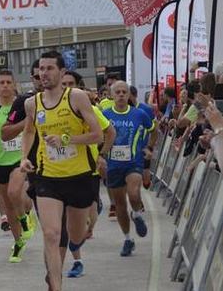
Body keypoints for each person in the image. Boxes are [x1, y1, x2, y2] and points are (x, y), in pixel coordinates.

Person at [19, 51, 103, 291]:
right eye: (41, 70)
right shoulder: (32, 103)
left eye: (49, 68)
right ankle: (55, 284)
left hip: (79, 177)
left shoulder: (76, 97)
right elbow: (28, 132)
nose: (44, 73)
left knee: (75, 237)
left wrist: (67, 139)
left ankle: (66, 256)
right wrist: (24, 158)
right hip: (48, 177)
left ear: (62, 72)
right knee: (52, 235)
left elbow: (97, 135)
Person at [60, 71, 115, 278]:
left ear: (79, 87)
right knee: (66, 222)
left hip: (88, 171)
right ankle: (77, 261)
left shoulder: (90, 109)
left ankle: (95, 210)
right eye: (63, 83)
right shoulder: (49, 109)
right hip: (61, 172)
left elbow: (110, 133)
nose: (66, 87)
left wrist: (101, 155)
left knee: (87, 225)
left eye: (71, 84)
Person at [0, 69, 35, 263]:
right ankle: (18, 241)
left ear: (14, 85)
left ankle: (25, 222)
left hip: (20, 159)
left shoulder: (23, 105)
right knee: (8, 206)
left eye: (8, 82)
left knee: (14, 192)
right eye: (1, 82)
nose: (4, 86)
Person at [101, 81, 154, 257]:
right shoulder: (105, 114)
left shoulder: (139, 114)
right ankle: (128, 239)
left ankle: (137, 214)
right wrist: (100, 154)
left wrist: (149, 148)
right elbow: (98, 134)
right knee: (120, 206)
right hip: (114, 165)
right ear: (112, 95)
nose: (122, 95)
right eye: (118, 92)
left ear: (129, 95)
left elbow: (153, 130)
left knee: (133, 193)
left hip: (134, 162)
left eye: (125, 92)